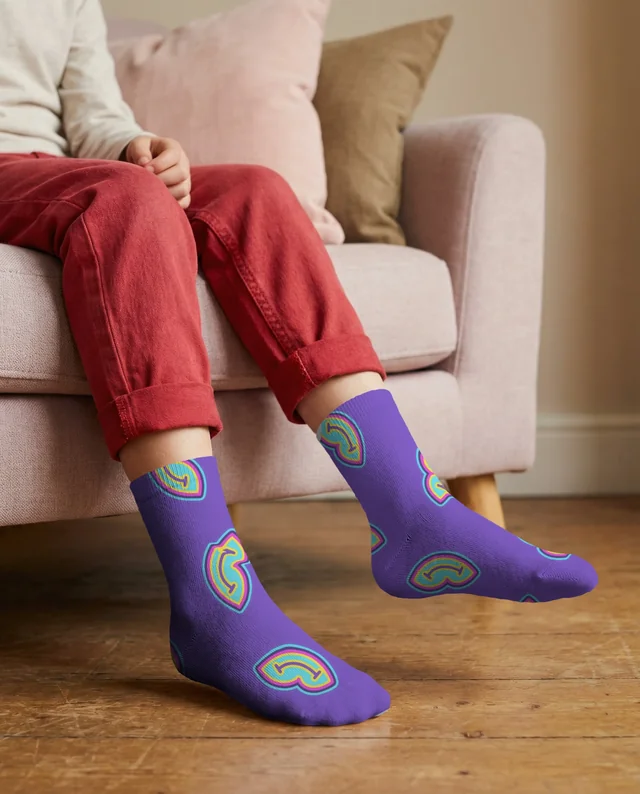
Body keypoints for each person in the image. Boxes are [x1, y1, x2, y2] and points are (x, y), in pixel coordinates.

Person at [0, 0, 597, 727]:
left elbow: (92, 111)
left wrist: (138, 147)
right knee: (121, 201)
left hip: (64, 173)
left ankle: (410, 511)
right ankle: (214, 603)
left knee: (253, 190)